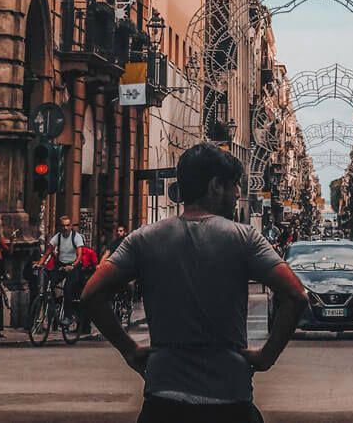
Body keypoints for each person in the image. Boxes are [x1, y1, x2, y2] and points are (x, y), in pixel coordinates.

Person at [82, 141, 307, 422]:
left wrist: (130, 350)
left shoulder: (143, 238)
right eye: (234, 185)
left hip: (163, 396)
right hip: (230, 396)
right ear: (215, 186)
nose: (238, 193)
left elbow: (91, 294)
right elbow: (296, 295)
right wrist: (266, 356)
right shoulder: (245, 238)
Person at [45, 214, 86, 323]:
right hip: (61, 266)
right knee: (50, 283)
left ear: (71, 226)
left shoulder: (76, 237)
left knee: (68, 289)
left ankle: (68, 316)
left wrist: (72, 265)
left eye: (67, 225)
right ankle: (55, 306)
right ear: (60, 226)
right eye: (63, 226)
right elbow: (48, 252)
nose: (65, 228)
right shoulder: (57, 237)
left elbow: (80, 255)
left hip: (73, 267)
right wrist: (39, 264)